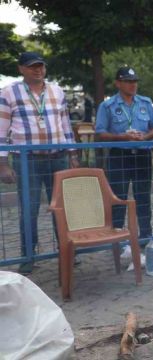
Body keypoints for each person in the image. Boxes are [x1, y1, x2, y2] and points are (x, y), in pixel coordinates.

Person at [0, 52, 80, 274]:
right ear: (21, 69)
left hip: (58, 157)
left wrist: (72, 153)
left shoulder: (57, 90)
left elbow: (65, 124)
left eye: (41, 66)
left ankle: (67, 249)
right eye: (32, 66)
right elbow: (1, 128)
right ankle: (28, 255)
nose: (38, 70)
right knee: (29, 208)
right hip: (28, 160)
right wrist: (3, 163)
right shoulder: (8, 93)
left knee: (63, 207)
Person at [95, 66, 153, 239]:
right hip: (119, 155)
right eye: (128, 81)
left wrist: (145, 137)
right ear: (118, 83)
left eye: (134, 82)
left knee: (143, 197)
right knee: (118, 198)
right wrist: (121, 137)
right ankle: (118, 237)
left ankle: (145, 236)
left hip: (141, 156)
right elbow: (100, 133)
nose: (132, 85)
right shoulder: (107, 106)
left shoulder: (145, 103)